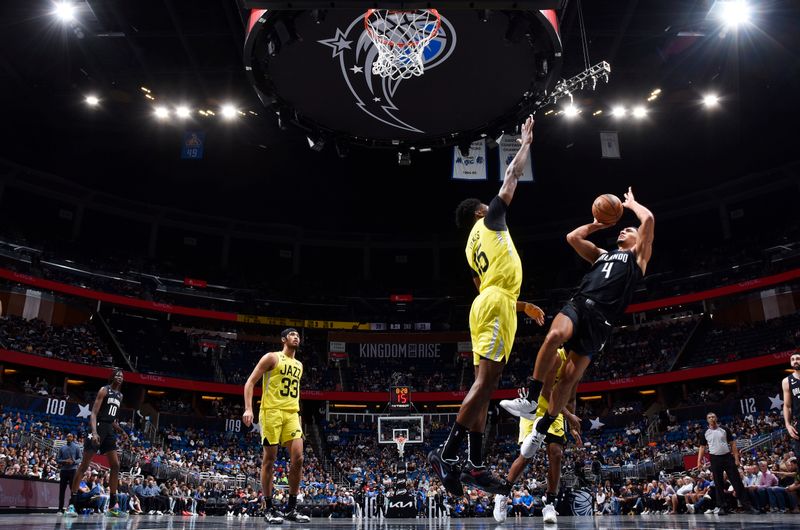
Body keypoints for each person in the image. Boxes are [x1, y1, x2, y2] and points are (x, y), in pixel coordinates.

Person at [428, 116, 538, 497]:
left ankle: (475, 466)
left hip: (486, 304)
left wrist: (521, 307)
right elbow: (511, 177)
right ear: (479, 211)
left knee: (486, 386)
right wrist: (525, 143)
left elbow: (483, 285)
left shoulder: (469, 247)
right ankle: (448, 454)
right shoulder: (490, 219)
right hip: (496, 306)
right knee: (484, 383)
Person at [504, 187, 655, 456]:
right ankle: (530, 399)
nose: (623, 231)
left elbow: (649, 221)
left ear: (638, 239)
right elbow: (573, 237)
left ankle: (542, 430)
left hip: (601, 322)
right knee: (553, 337)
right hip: (579, 303)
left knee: (568, 381)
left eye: (628, 231)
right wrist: (597, 223)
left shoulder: (638, 259)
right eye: (622, 229)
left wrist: (631, 205)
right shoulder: (602, 255)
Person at [493, 347, 581, 525]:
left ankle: (549, 504)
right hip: (537, 408)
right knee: (527, 456)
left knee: (556, 454)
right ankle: (502, 493)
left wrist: (572, 426)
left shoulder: (579, 361)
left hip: (558, 411)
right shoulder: (557, 356)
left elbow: (571, 396)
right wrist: (570, 416)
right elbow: (547, 391)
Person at [243, 328, 310, 524]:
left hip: (291, 413)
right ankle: (269, 507)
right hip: (270, 411)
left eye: (298, 335)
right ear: (283, 339)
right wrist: (248, 409)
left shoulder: (299, 365)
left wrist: (298, 417)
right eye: (292, 335)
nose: (296, 337)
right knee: (269, 459)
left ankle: (291, 508)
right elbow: (250, 382)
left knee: (298, 458)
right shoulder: (272, 358)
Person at [70, 367, 127, 517]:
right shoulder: (104, 390)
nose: (120, 377)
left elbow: (111, 417)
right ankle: (71, 504)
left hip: (109, 430)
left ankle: (113, 506)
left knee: (115, 465)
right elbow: (94, 413)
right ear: (112, 377)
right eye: (117, 375)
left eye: (122, 376)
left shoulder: (120, 395)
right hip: (97, 428)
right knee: (84, 465)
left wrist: (120, 430)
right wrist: (94, 432)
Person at [695, 412, 759, 515]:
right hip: (715, 459)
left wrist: (736, 458)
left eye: (713, 416)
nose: (712, 418)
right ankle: (722, 507)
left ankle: (747, 506)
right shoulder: (704, 432)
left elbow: (732, 444)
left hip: (727, 457)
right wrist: (699, 461)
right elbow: (702, 447)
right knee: (718, 483)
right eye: (709, 417)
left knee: (737, 481)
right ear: (707, 420)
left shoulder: (724, 429)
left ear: (716, 418)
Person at [57, 432, 81, 516]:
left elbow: (80, 459)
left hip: (73, 470)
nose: (69, 438)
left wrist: (73, 461)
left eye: (70, 436)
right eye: (67, 436)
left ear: (73, 438)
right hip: (63, 470)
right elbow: (58, 459)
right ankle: (60, 509)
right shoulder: (62, 448)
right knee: (62, 490)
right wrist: (65, 461)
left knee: (73, 490)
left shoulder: (77, 447)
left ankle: (72, 508)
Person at [782, 351, 800, 454]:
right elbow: (787, 405)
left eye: (797, 358)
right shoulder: (786, 381)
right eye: (792, 360)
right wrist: (788, 425)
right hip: (798, 422)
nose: (795, 361)